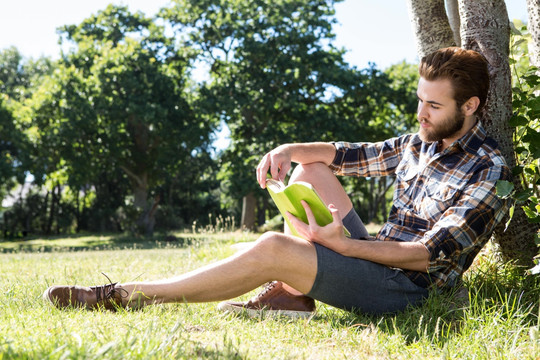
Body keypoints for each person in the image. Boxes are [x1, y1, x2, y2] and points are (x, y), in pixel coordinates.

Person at [43, 47, 511, 317]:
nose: (421, 114)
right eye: (419, 101)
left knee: (272, 248)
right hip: (378, 258)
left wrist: (343, 247)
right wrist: (286, 152)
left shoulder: (488, 169)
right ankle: (295, 296)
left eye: (433, 106)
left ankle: (126, 295)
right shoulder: (419, 142)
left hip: (409, 290)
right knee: (310, 169)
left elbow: (425, 254)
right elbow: (344, 155)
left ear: (469, 106)